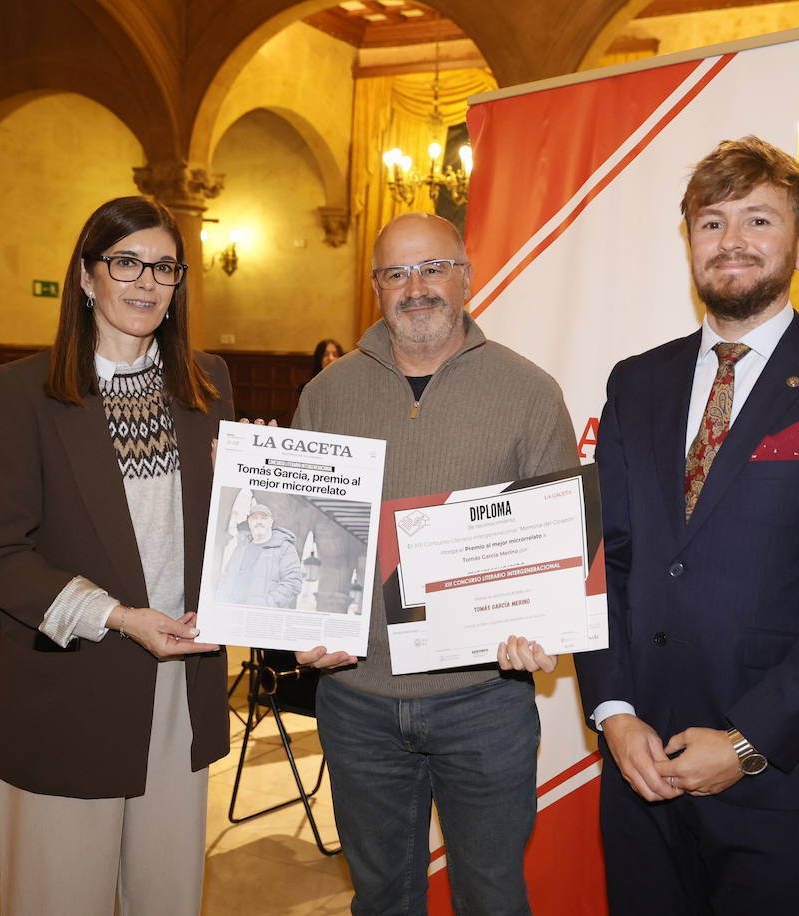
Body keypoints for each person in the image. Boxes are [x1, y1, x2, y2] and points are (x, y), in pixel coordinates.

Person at [572, 136, 799, 915]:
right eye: (711, 222)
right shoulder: (637, 381)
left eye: (758, 221)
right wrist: (613, 714)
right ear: (689, 243)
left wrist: (746, 741)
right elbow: (606, 562)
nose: (731, 241)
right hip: (638, 768)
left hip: (776, 776)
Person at [292, 211, 577, 914]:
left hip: (484, 703)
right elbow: (296, 535)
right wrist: (292, 620)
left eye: (432, 269)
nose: (415, 288)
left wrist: (537, 625)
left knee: (492, 898)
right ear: (376, 288)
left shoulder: (530, 391)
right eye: (396, 273)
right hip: (357, 700)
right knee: (382, 898)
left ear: (467, 277)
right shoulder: (326, 394)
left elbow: (557, 552)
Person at [0, 196, 235, 915]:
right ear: (87, 278)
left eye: (164, 267)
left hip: (181, 685)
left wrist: (255, 485)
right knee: (60, 897)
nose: (147, 283)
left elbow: (229, 537)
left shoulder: (208, 386)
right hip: (71, 689)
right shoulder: (21, 390)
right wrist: (116, 616)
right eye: (127, 263)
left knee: (166, 897)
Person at [214, 500, 304, 607]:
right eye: (254, 518)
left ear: (271, 522)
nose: (259, 521)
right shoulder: (242, 546)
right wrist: (221, 599)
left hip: (259, 616)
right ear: (249, 523)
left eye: (263, 518)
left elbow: (293, 582)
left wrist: (267, 604)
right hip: (231, 612)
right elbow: (226, 576)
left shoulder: (284, 547)